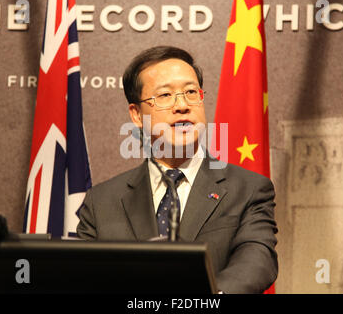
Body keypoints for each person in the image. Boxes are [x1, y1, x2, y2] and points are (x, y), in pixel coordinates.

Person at [77, 46, 278, 294]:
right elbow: (85, 278)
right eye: (165, 96)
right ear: (137, 115)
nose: (182, 105)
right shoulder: (102, 202)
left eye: (191, 92)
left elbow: (257, 261)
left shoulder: (248, 189)